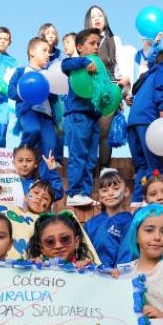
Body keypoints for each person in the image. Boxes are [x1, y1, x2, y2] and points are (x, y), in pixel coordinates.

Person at [8, 37, 64, 193]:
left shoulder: (48, 74)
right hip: (28, 111)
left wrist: (49, 89)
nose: (48, 54)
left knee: (49, 149)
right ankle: (20, 161)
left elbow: (53, 97)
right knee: (33, 130)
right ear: (32, 52)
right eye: (44, 51)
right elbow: (11, 92)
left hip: (46, 116)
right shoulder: (21, 71)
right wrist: (26, 92)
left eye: (50, 52)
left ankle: (45, 186)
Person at [127, 50, 163, 205]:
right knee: (155, 165)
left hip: (133, 122)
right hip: (148, 120)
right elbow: (162, 88)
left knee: (142, 166)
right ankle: (155, 204)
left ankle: (136, 203)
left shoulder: (147, 76)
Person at [84, 6, 131, 169]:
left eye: (100, 15)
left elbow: (122, 68)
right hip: (87, 91)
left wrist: (126, 92)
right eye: (93, 16)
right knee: (88, 132)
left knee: (104, 133)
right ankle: (88, 171)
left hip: (109, 91)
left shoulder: (114, 40)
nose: (96, 18)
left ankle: (104, 169)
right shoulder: (82, 41)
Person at [62, 28, 102, 207]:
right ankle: (74, 192)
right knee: (78, 154)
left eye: (98, 44)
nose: (96, 47)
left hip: (92, 118)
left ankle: (84, 193)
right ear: (79, 47)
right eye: (92, 43)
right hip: (77, 116)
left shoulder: (97, 68)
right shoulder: (75, 65)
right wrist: (85, 61)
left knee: (91, 158)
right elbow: (65, 65)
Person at [84, 168, 132, 268]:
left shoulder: (130, 222)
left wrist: (120, 270)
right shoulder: (91, 223)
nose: (110, 193)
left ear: (126, 191)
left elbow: (128, 252)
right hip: (92, 275)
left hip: (116, 277)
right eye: (104, 190)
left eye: (116, 188)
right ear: (100, 196)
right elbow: (84, 250)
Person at [27, 212, 94, 270]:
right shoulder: (31, 271)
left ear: (76, 242)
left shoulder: (88, 271)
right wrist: (32, 270)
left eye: (65, 239)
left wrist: (90, 273)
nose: (58, 246)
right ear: (41, 248)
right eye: (50, 242)